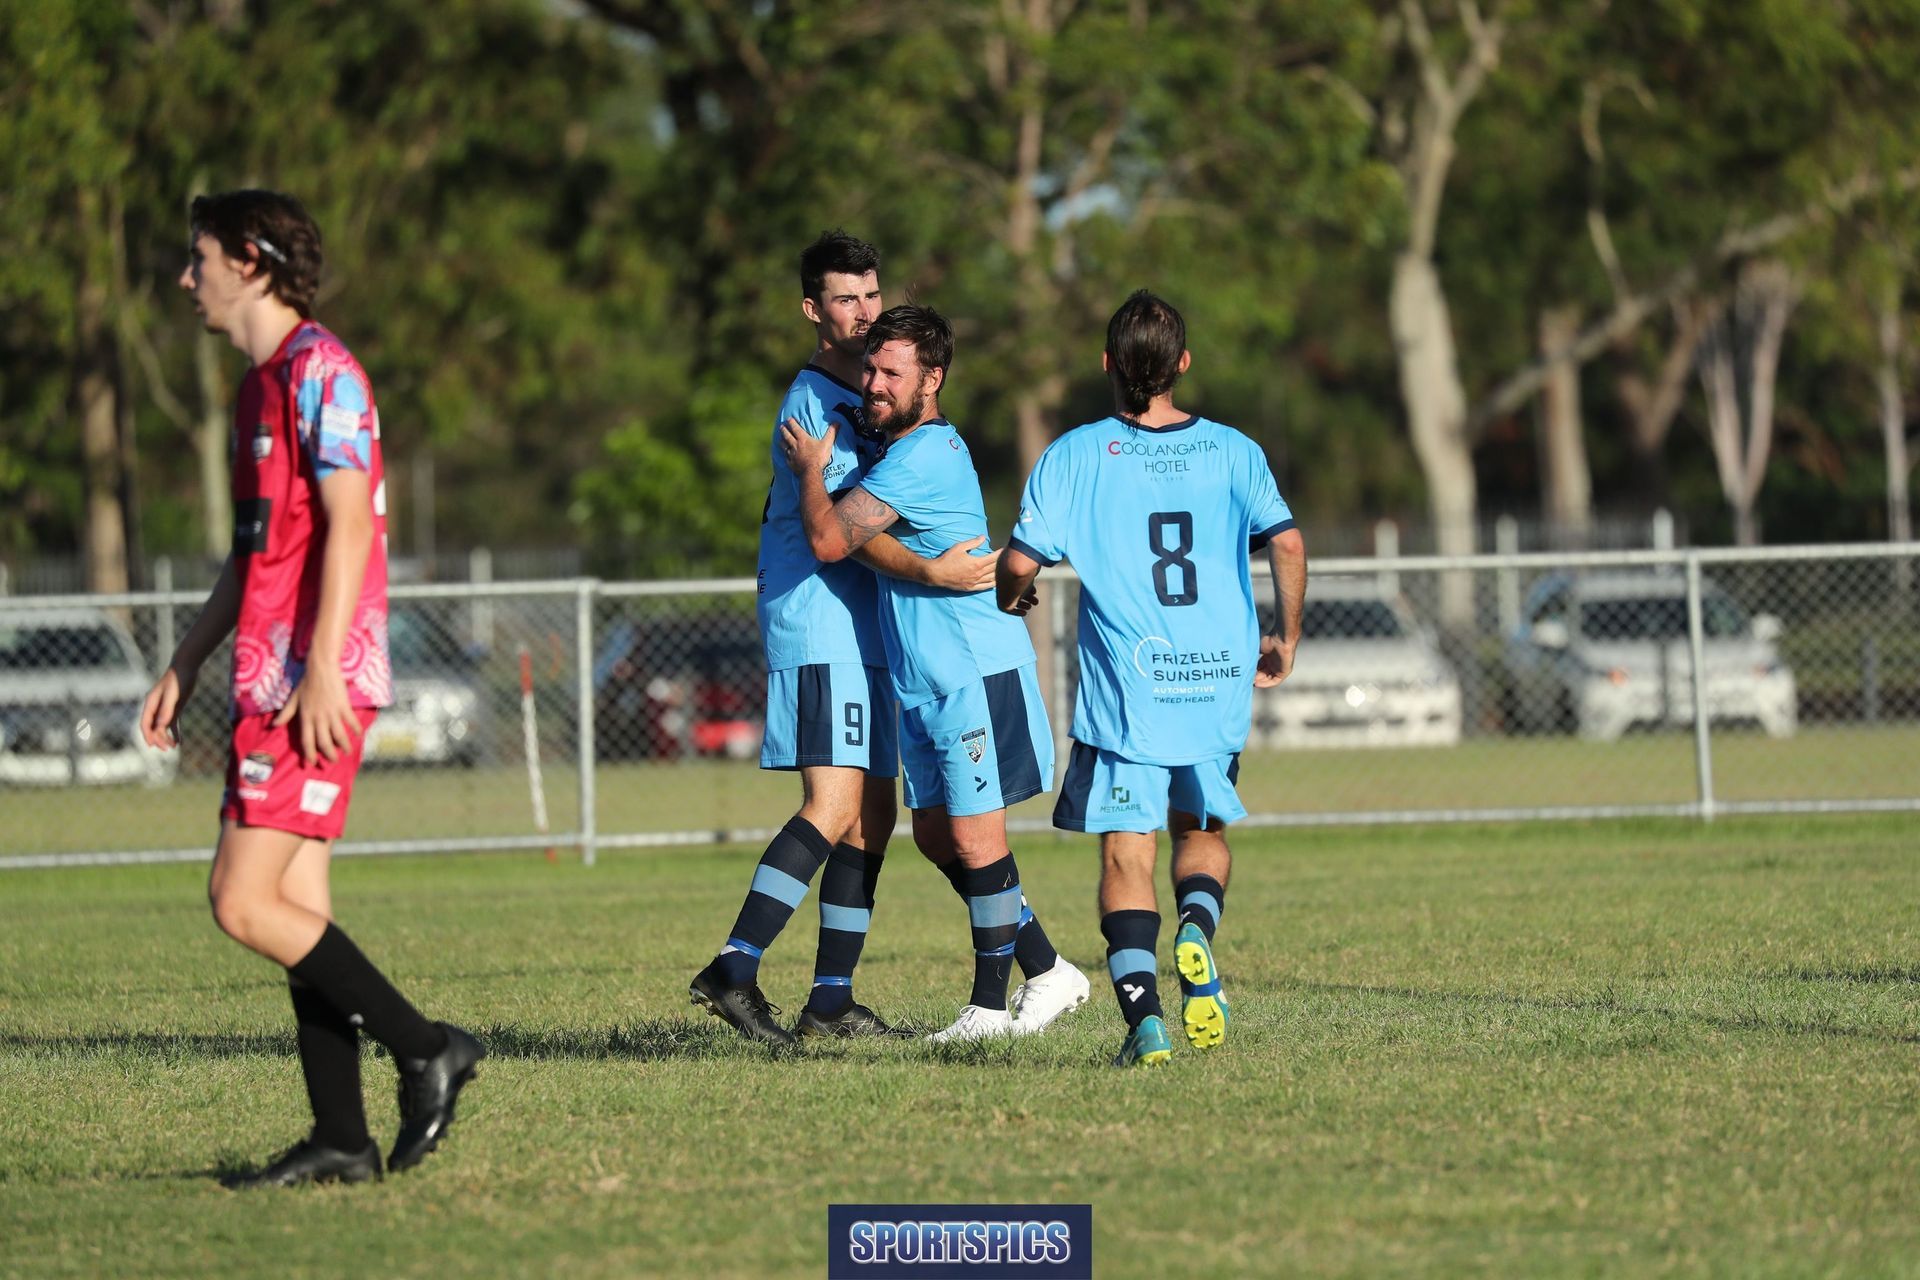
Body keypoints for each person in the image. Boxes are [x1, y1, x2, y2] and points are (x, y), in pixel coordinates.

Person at [141, 190, 483, 1186]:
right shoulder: (256, 387)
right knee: (296, 901)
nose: (184, 276)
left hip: (313, 681)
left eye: (195, 255)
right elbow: (255, 555)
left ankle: (428, 1047)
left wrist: (325, 663)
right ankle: (342, 1133)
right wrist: (189, 656)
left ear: (248, 260)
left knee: (240, 898)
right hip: (269, 674)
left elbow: (352, 523)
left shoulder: (323, 372)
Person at [689, 233, 998, 1046]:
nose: (862, 313)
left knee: (872, 818)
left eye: (870, 294)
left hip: (867, 626)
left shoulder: (865, 391)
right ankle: (734, 965)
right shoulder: (814, 406)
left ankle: (831, 1000)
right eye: (844, 299)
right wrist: (933, 575)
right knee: (830, 807)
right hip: (820, 618)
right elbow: (839, 538)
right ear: (811, 310)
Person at [996, 290, 1306, 1067]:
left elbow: (1019, 566)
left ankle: (1145, 1023)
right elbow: (1289, 545)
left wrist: (1014, 591)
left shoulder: (1073, 454)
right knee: (1202, 833)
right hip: (1214, 683)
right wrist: (1286, 637)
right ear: (1183, 365)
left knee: (1125, 857)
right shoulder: (1234, 450)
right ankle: (1196, 929)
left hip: (1130, 693)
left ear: (1107, 365)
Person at [781, 304, 1089, 1044]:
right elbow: (866, 545)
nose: (875, 383)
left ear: (933, 380)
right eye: (871, 368)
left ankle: (985, 1011)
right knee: (936, 838)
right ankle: (1049, 972)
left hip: (974, 675)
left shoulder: (923, 456)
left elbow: (827, 537)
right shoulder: (901, 453)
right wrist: (923, 565)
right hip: (929, 681)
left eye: (893, 372)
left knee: (979, 842)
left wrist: (810, 471)